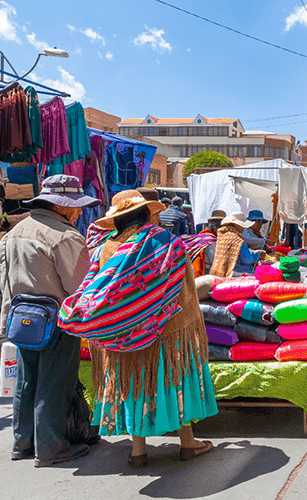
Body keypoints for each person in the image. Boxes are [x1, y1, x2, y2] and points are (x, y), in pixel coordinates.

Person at [60, 189, 217, 468]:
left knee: (132, 383)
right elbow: (185, 287)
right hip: (169, 330)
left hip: (122, 333)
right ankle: (188, 442)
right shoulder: (166, 242)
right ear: (146, 215)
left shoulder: (106, 248)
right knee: (173, 379)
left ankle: (138, 451)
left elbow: (97, 289)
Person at [0, 174, 100, 467]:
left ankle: (22, 443)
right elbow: (80, 286)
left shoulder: (14, 232)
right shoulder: (65, 236)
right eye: (76, 206)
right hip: (56, 320)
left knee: (27, 380)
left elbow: (3, 281)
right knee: (55, 382)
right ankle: (52, 446)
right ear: (61, 207)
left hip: (21, 319)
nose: (79, 211)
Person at [211, 212, 262, 276]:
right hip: (237, 272)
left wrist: (252, 252)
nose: (243, 228)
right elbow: (246, 259)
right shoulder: (237, 238)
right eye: (242, 225)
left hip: (222, 272)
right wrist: (258, 255)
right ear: (237, 225)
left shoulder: (223, 235)